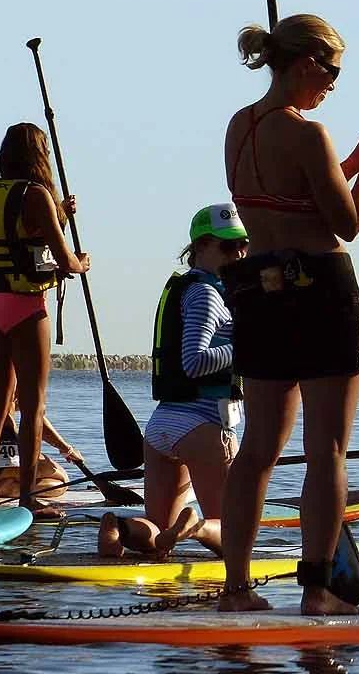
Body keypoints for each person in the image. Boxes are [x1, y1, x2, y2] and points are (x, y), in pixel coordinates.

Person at [217, 14, 359, 614]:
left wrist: (354, 154)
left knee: (258, 451)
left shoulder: (239, 128)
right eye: (332, 71)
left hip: (262, 292)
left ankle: (237, 588)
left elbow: (293, 197)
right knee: (326, 449)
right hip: (320, 291)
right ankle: (319, 589)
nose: (333, 85)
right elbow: (344, 221)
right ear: (304, 64)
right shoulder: (308, 134)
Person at [99, 203, 251, 560]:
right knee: (234, 534)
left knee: (157, 532)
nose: (239, 253)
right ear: (199, 247)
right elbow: (194, 361)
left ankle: (119, 528)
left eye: (243, 244)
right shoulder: (207, 294)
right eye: (227, 246)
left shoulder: (190, 289)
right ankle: (196, 527)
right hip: (204, 425)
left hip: (163, 426)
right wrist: (248, 347)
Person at [0, 123, 89, 521]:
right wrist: (81, 263)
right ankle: (26, 499)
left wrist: (59, 213)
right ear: (40, 155)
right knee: (33, 405)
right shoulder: (37, 193)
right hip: (25, 306)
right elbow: (66, 259)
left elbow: (20, 231)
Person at [0, 346, 82, 501]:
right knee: (61, 480)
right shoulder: (16, 360)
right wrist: (67, 449)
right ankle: (8, 488)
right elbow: (35, 419)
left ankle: (0, 483)